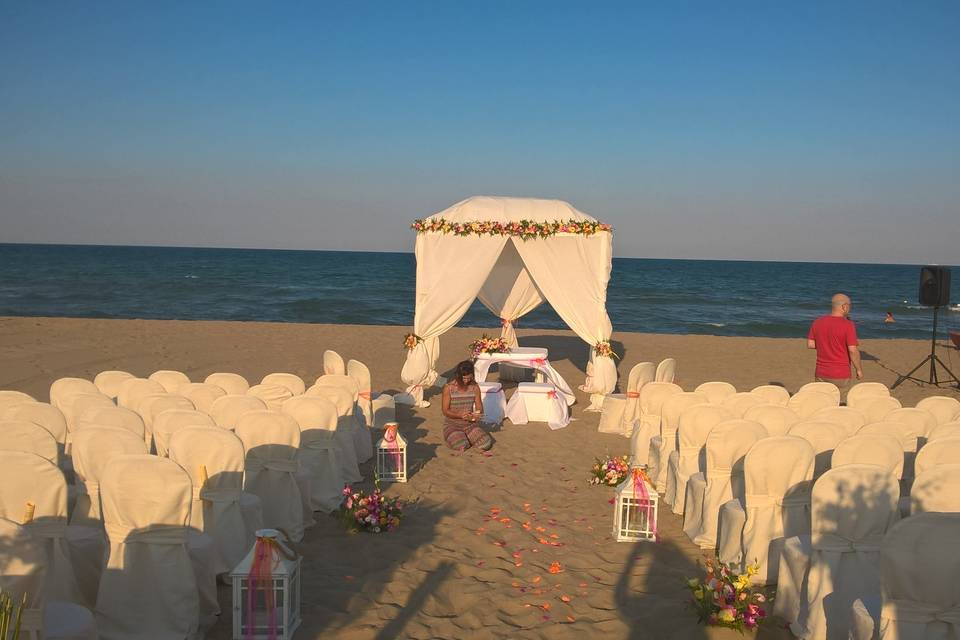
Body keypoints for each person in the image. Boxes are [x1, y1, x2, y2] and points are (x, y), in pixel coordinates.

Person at [807, 293, 863, 393]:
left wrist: (826, 345)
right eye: (849, 306)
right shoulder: (848, 325)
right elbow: (852, 350)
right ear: (844, 307)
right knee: (839, 404)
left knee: (823, 401)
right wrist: (858, 369)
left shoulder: (817, 322)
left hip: (821, 372)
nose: (850, 308)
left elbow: (810, 344)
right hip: (840, 373)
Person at [441, 360, 492, 452]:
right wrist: (459, 415)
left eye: (469, 378)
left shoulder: (475, 387)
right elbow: (445, 411)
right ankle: (457, 436)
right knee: (461, 445)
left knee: (486, 444)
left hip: (470, 425)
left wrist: (476, 415)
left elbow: (479, 407)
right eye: (464, 378)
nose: (466, 381)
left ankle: (468, 436)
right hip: (452, 425)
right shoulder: (449, 388)